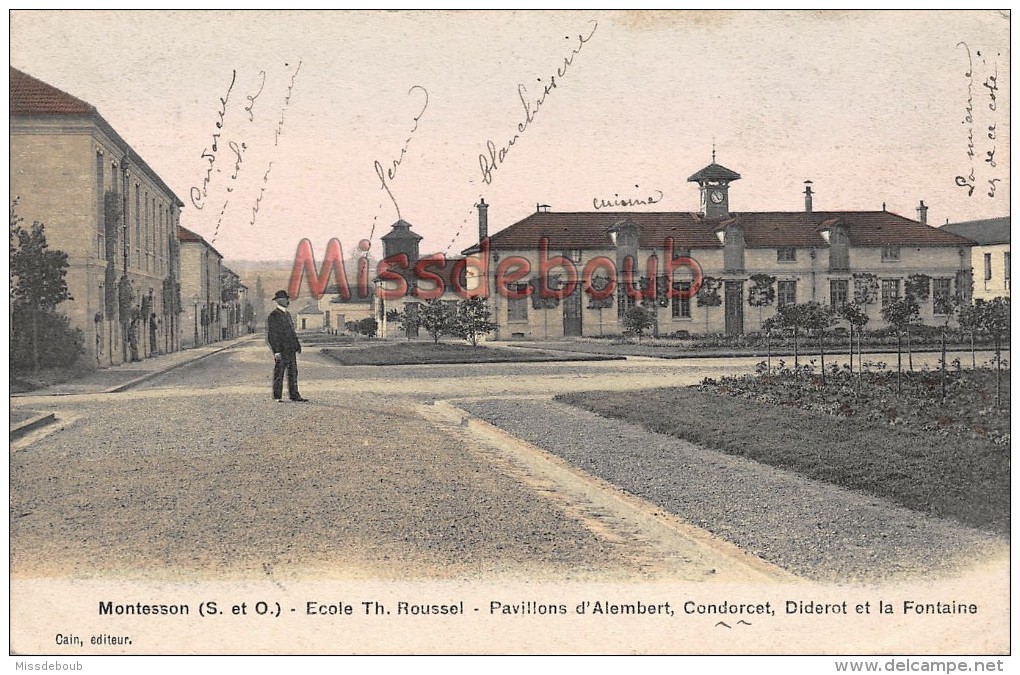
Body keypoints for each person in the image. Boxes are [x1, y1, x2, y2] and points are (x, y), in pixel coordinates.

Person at [266, 290, 308, 402]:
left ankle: (294, 395)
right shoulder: (273, 316)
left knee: (293, 372)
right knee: (279, 373)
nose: (288, 301)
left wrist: (297, 345)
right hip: (281, 350)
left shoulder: (288, 315)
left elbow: (291, 332)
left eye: (287, 299)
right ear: (280, 301)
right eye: (286, 299)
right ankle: (277, 396)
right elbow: (272, 335)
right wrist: (276, 351)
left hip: (291, 349)